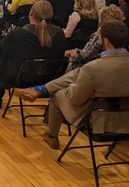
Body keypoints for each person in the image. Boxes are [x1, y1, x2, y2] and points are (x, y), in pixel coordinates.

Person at [14, 20, 129, 150]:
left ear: (106, 42)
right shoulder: (94, 67)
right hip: (125, 119)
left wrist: (72, 87)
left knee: (57, 94)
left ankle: (52, 135)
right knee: (78, 73)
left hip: (96, 120)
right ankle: (40, 89)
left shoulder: (93, 68)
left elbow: (76, 99)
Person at [0, 0, 66, 109]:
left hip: (20, 79)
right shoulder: (59, 33)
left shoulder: (17, 34)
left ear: (31, 13)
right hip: (49, 78)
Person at [64, 5, 125, 71]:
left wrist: (74, 55)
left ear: (102, 18)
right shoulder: (121, 34)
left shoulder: (100, 34)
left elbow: (86, 56)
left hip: (91, 68)